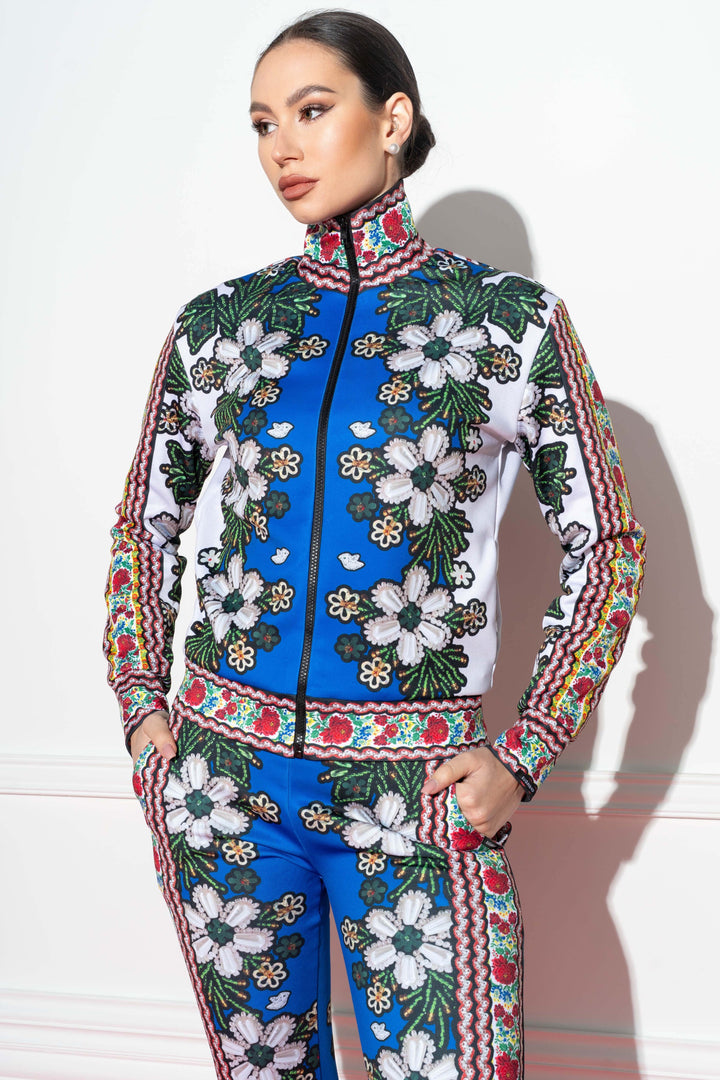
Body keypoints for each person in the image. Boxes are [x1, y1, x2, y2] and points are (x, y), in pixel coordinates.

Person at [104, 10, 645, 1079]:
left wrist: (527, 749)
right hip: (223, 789)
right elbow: (144, 525)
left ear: (393, 119)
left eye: (312, 111)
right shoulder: (220, 327)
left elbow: (611, 547)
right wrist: (142, 711)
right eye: (263, 124)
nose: (284, 148)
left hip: (418, 798)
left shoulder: (506, 323)